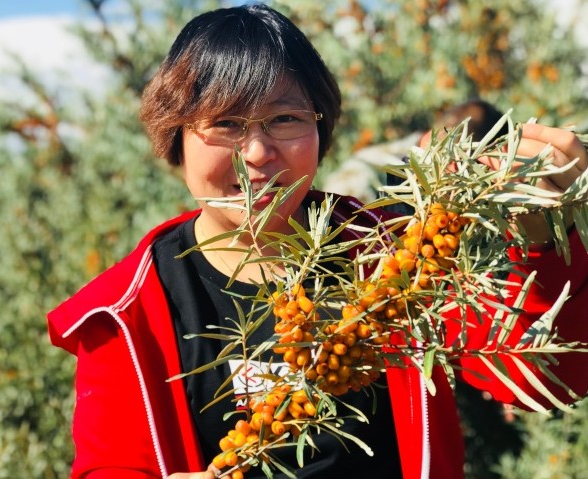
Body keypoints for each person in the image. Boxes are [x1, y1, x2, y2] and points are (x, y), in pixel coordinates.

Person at [47, 4, 588, 479]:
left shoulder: (397, 256)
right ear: (176, 138)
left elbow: (549, 379)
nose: (257, 153)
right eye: (227, 124)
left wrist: (544, 234)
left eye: (285, 118)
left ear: (320, 130)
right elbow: (111, 465)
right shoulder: (126, 310)